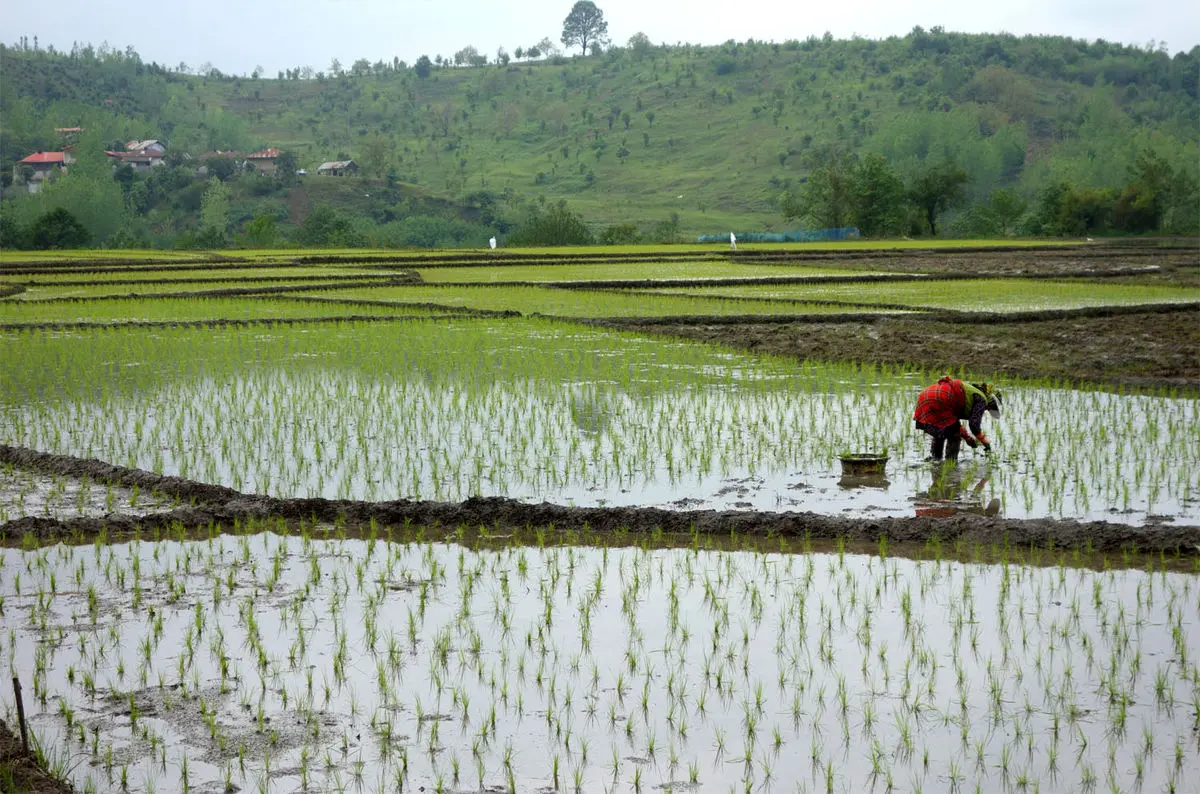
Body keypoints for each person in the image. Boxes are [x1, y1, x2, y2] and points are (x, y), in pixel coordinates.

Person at [912, 377, 1002, 461]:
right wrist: (985, 442)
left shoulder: (968, 391)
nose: (986, 410)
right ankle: (951, 463)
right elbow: (974, 424)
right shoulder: (981, 399)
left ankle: (936, 462)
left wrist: (967, 438)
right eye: (990, 408)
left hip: (925, 396)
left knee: (939, 433)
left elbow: (954, 424)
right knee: (954, 436)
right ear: (991, 401)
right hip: (942, 398)